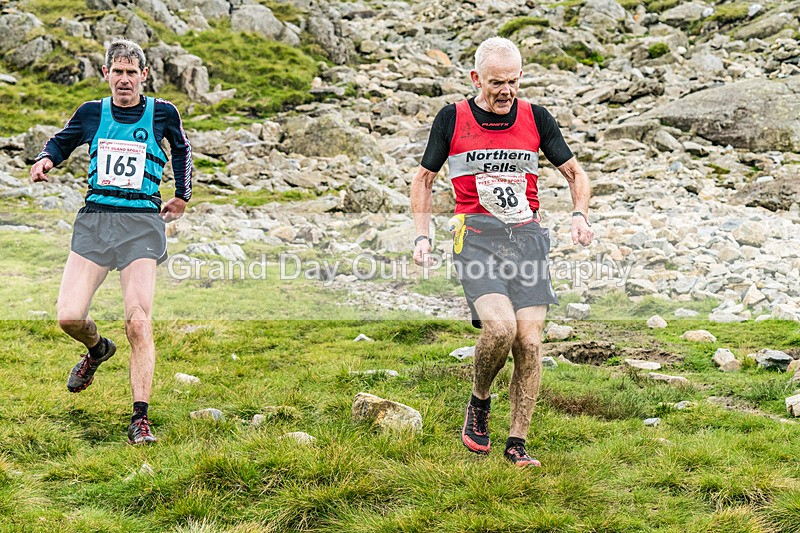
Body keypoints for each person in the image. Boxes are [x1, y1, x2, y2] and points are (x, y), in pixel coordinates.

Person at [411, 37, 593, 467]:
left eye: (513, 81)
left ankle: (517, 443)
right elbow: (424, 179)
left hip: (527, 242)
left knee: (529, 342)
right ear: (477, 78)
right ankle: (479, 400)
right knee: (500, 330)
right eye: (496, 82)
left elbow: (574, 173)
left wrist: (579, 215)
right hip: (476, 240)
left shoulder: (536, 117)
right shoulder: (452, 118)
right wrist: (422, 236)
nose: (506, 90)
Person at [29, 39, 192, 445]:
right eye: (117, 71)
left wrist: (182, 195)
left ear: (143, 75)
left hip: (140, 225)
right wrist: (45, 159)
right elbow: (62, 141)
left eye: (131, 72)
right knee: (69, 317)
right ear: (106, 73)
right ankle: (98, 349)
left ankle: (140, 419)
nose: (124, 79)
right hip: (96, 222)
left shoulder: (162, 113)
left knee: (138, 320)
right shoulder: (92, 112)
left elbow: (182, 149)